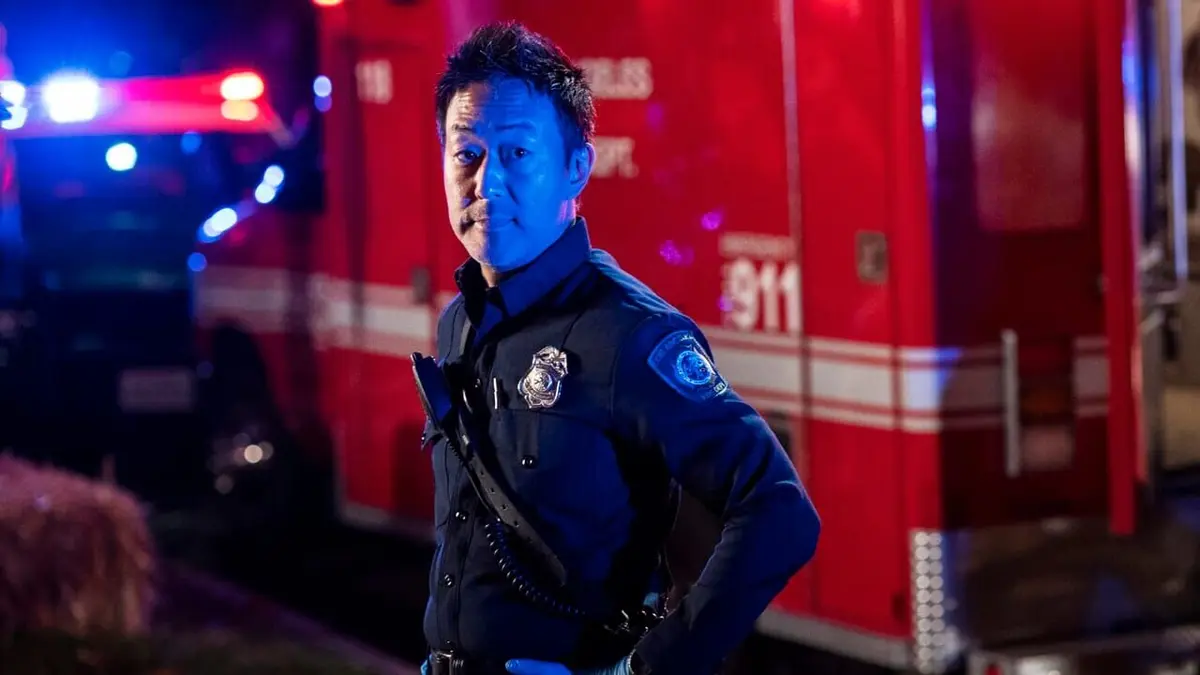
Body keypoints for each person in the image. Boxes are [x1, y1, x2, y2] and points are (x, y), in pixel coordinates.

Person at [419, 21, 820, 675]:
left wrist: (649, 668)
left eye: (517, 153)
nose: (486, 184)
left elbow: (781, 511)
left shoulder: (630, 334)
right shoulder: (460, 323)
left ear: (577, 168)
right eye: (467, 154)